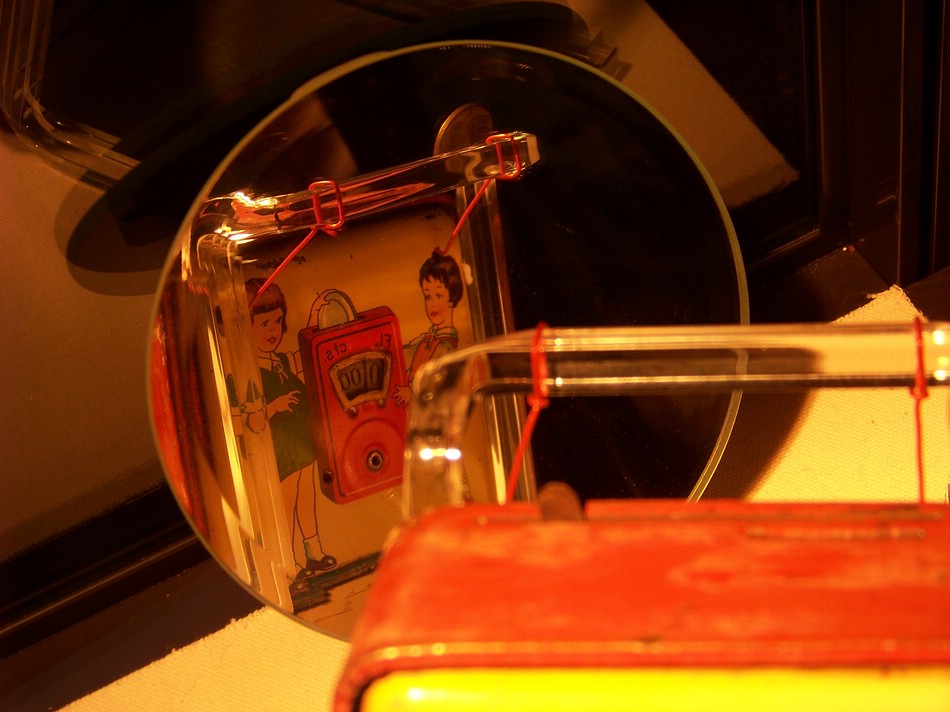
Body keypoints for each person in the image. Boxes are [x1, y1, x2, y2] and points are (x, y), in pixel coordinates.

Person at [245, 278, 336, 578]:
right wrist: (274, 406)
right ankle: (289, 561)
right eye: (264, 324)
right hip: (281, 454)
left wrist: (314, 318)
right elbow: (252, 421)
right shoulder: (252, 375)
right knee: (286, 504)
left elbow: (305, 353)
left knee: (307, 498)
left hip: (303, 445)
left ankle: (314, 551)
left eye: (277, 321)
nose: (273, 330)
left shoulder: (283, 361)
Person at [393, 250, 464, 408]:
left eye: (438, 296)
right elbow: (407, 352)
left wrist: (411, 391)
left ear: (452, 297)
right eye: (428, 297)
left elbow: (437, 383)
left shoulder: (446, 346)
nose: (432, 304)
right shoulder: (429, 337)